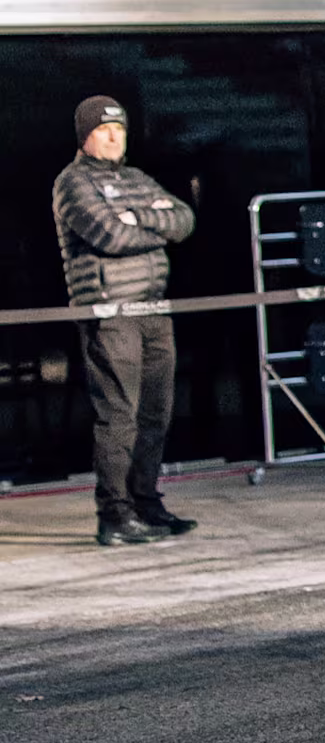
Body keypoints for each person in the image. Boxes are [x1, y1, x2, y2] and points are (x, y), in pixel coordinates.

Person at [51, 96, 196, 547]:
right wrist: (153, 231)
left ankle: (146, 504)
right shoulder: (72, 183)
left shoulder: (135, 178)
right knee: (119, 418)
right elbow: (109, 236)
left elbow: (185, 219)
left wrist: (140, 217)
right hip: (111, 312)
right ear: (85, 135)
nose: (114, 137)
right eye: (104, 129)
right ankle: (114, 516)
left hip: (153, 308)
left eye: (120, 129)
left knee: (157, 413)